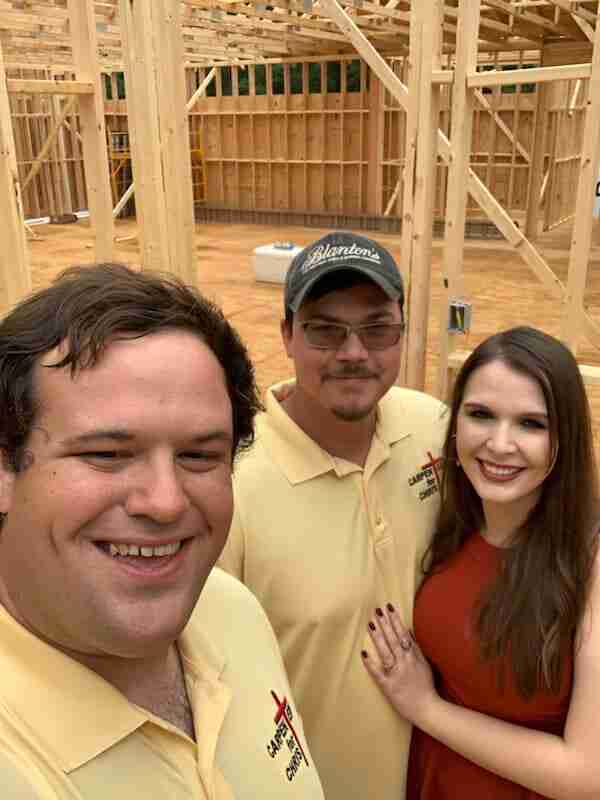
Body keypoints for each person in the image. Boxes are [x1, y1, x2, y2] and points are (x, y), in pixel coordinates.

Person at [0, 263, 325, 799]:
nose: (166, 502)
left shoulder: (232, 610)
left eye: (198, 456)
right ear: (7, 469)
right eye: (107, 454)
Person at [218, 231, 448, 799]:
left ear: (401, 334)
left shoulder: (433, 430)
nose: (353, 352)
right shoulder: (233, 489)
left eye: (377, 328)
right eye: (325, 330)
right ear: (287, 336)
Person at [363, 326, 600, 799]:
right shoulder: (454, 519)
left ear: (566, 438)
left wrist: (426, 708)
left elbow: (586, 774)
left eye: (531, 424)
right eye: (481, 415)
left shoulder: (591, 559)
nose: (499, 443)